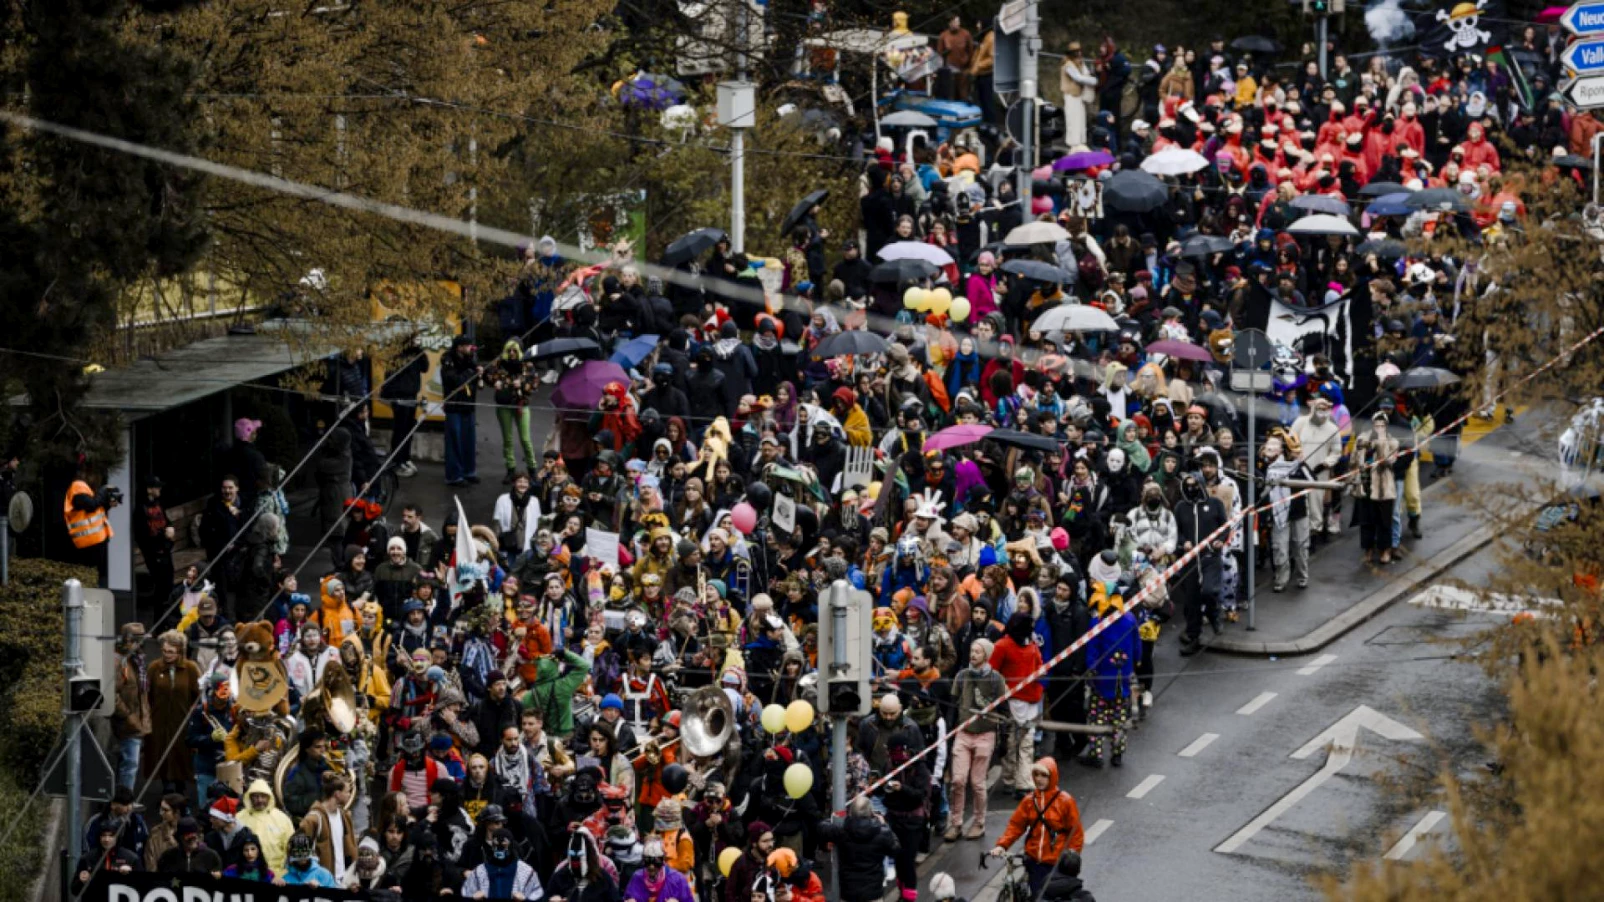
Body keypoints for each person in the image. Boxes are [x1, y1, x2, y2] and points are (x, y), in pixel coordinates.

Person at [990, 758, 1084, 896]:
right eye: (1036, 774)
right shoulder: (1029, 801)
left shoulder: (1065, 801)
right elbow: (1016, 825)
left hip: (1056, 864)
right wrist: (1002, 845)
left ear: (1052, 777)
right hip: (1034, 862)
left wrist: (1071, 860)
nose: (1039, 779)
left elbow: (1076, 833)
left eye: (1044, 775)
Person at [947, 637, 1005, 841]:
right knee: (958, 780)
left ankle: (979, 822)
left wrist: (1004, 739)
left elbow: (1003, 709)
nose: (973, 655)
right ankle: (956, 823)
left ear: (986, 655)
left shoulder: (996, 679)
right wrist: (950, 730)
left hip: (985, 735)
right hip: (963, 733)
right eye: (972, 650)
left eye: (978, 652)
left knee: (977, 783)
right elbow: (953, 705)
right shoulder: (961, 676)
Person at [147, 630, 201, 793]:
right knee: (161, 754)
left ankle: (181, 791)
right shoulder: (154, 668)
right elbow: (147, 694)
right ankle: (167, 790)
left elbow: (199, 695)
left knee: (181, 756)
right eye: (164, 651)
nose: (166, 655)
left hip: (183, 721)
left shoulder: (191, 668)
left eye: (171, 652)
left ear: (180, 652)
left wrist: (194, 715)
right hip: (159, 721)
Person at [817, 797, 897, 902]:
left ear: (851, 813)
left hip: (849, 891)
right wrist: (884, 824)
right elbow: (895, 849)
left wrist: (834, 819)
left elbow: (821, 827)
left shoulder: (842, 831)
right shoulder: (882, 832)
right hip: (873, 891)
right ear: (871, 812)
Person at [63, 461, 118, 587]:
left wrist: (107, 504)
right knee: (93, 578)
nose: (98, 479)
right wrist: (103, 492)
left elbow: (94, 510)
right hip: (88, 542)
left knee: (99, 576)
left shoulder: (85, 488)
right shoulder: (78, 486)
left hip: (96, 540)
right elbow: (90, 505)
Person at [111, 623, 150, 790]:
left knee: (126, 762)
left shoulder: (136, 660)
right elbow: (112, 694)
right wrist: (128, 716)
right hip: (126, 722)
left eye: (140, 640)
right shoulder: (118, 661)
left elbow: (142, 694)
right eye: (134, 640)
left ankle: (120, 797)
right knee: (130, 764)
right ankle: (124, 800)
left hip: (135, 720)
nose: (138, 644)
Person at [441, 335, 483, 487]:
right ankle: (454, 476)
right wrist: (472, 373)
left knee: (469, 440)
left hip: (468, 406)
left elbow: (475, 374)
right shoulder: (448, 361)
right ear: (459, 347)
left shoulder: (470, 359)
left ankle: (468, 471)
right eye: (468, 346)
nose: (471, 348)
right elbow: (455, 380)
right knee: (454, 441)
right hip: (454, 406)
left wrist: (480, 371)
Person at [461, 828, 545, 899]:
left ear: (511, 846)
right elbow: (465, 893)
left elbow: (538, 896)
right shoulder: (479, 872)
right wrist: (473, 897)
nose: (499, 849)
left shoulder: (526, 872)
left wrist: (525, 899)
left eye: (504, 845)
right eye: (496, 845)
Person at [156, 817, 223, 877]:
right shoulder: (167, 857)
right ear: (180, 838)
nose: (192, 839)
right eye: (188, 836)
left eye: (194, 835)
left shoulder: (211, 856)